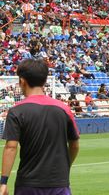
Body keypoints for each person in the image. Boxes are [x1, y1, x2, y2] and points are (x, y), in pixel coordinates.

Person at [1, 58, 80, 195]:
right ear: (44, 81)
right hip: (59, 183)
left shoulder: (16, 111)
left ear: (22, 81)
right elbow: (74, 145)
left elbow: (11, 147)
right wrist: (65, 167)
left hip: (28, 184)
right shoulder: (63, 109)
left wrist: (3, 182)